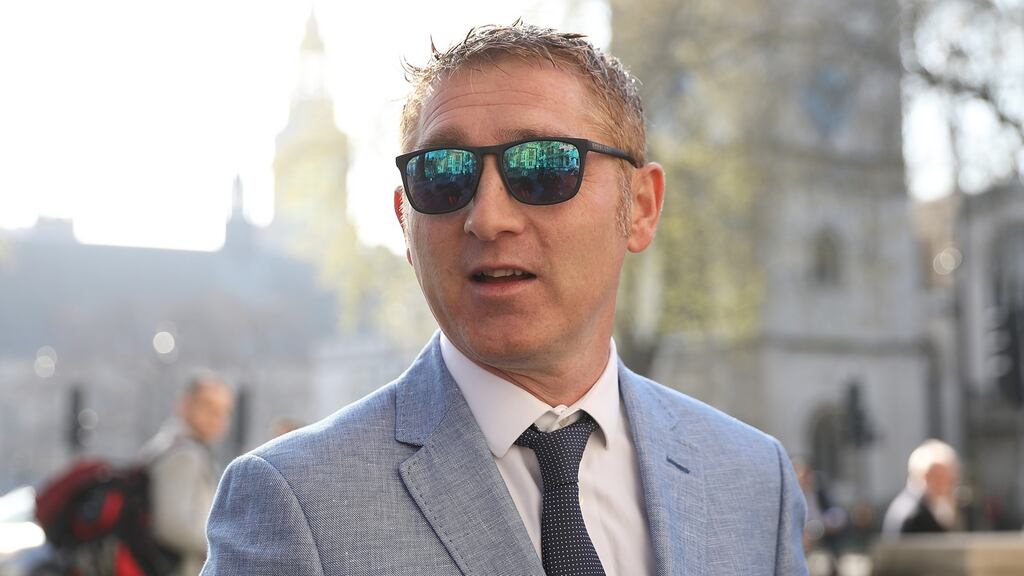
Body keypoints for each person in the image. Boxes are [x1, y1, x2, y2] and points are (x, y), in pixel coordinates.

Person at [202, 23, 807, 575]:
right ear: (405, 223)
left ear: (641, 207)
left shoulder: (755, 481)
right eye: (442, 175)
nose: (487, 218)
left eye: (542, 167)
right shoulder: (292, 500)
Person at [140, 371, 234, 576]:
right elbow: (172, 525)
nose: (216, 418)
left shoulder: (169, 445)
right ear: (184, 405)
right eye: (208, 406)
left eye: (223, 411)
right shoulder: (183, 455)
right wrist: (224, 543)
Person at [882, 439, 961, 537]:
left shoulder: (916, 505)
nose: (949, 484)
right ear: (925, 476)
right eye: (941, 476)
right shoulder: (914, 515)